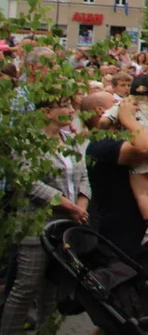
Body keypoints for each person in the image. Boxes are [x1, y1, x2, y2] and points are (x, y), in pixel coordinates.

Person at [0, 97, 90, 335]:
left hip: (65, 224)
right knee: (26, 287)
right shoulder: (28, 142)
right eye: (65, 107)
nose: (72, 111)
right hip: (36, 223)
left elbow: (83, 177)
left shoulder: (70, 139)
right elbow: (31, 182)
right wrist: (70, 207)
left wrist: (81, 204)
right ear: (47, 112)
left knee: (51, 287)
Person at [82, 95, 148, 287]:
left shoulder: (120, 138)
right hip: (123, 240)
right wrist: (128, 119)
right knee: (134, 303)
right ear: (100, 112)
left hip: (145, 236)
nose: (123, 106)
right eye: (116, 104)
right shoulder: (100, 145)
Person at [98, 73, 148, 245]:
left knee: (141, 192)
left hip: (146, 151)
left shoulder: (125, 105)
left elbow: (103, 121)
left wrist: (113, 124)